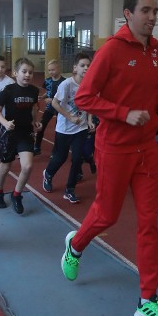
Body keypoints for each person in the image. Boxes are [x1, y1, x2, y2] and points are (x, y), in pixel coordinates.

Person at [60, 0, 158, 316]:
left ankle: (147, 300)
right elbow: (84, 98)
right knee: (107, 215)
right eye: (146, 11)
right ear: (128, 13)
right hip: (114, 148)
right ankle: (76, 244)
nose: (153, 17)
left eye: (155, 10)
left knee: (148, 223)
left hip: (147, 150)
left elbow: (150, 93)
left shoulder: (157, 51)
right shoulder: (111, 50)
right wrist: (123, 114)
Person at [0, 57, 42, 214]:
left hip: (25, 132)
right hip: (9, 133)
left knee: (27, 166)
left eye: (30, 72)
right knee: (5, 166)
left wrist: (35, 121)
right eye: (24, 71)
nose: (27, 75)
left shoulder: (34, 91)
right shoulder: (8, 90)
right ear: (15, 73)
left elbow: (34, 107)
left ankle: (16, 194)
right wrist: (5, 123)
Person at [42, 53, 91, 203]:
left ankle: (70, 189)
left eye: (88, 66)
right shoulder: (67, 84)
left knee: (77, 159)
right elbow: (55, 103)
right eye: (83, 65)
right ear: (75, 68)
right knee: (60, 157)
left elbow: (89, 103)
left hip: (81, 128)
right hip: (64, 128)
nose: (86, 68)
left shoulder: (89, 84)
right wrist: (70, 117)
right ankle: (48, 174)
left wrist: (89, 120)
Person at [34, 59, 65, 156]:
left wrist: (52, 100)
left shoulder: (64, 82)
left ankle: (56, 151)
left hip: (59, 109)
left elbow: (65, 97)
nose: (51, 72)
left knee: (58, 130)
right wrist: (42, 97)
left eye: (53, 70)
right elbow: (48, 91)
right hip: (49, 108)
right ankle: (37, 147)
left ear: (58, 69)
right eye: (49, 70)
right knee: (41, 126)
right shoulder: (47, 80)